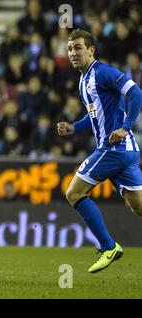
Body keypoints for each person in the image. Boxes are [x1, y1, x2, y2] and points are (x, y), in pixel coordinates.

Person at [57, 29, 142, 273]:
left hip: (113, 148)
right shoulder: (84, 80)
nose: (73, 53)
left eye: (78, 48)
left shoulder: (103, 73)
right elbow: (95, 115)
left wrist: (126, 128)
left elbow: (136, 92)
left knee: (73, 193)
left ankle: (108, 247)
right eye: (70, 48)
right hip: (125, 152)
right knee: (138, 207)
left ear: (91, 50)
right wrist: (74, 126)